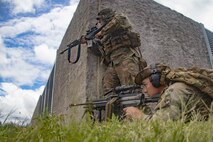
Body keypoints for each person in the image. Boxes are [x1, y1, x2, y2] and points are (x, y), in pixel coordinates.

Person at [123, 63, 213, 121]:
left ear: (155, 80)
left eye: (145, 84)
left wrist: (139, 116)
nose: (145, 90)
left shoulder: (174, 90)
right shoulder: (178, 86)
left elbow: (162, 125)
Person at [92, 8, 147, 95]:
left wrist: (99, 33)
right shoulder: (106, 36)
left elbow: (115, 23)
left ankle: (136, 108)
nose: (99, 23)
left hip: (126, 58)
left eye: (100, 20)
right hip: (113, 62)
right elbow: (102, 52)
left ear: (107, 17)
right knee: (108, 88)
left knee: (131, 88)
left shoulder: (120, 19)